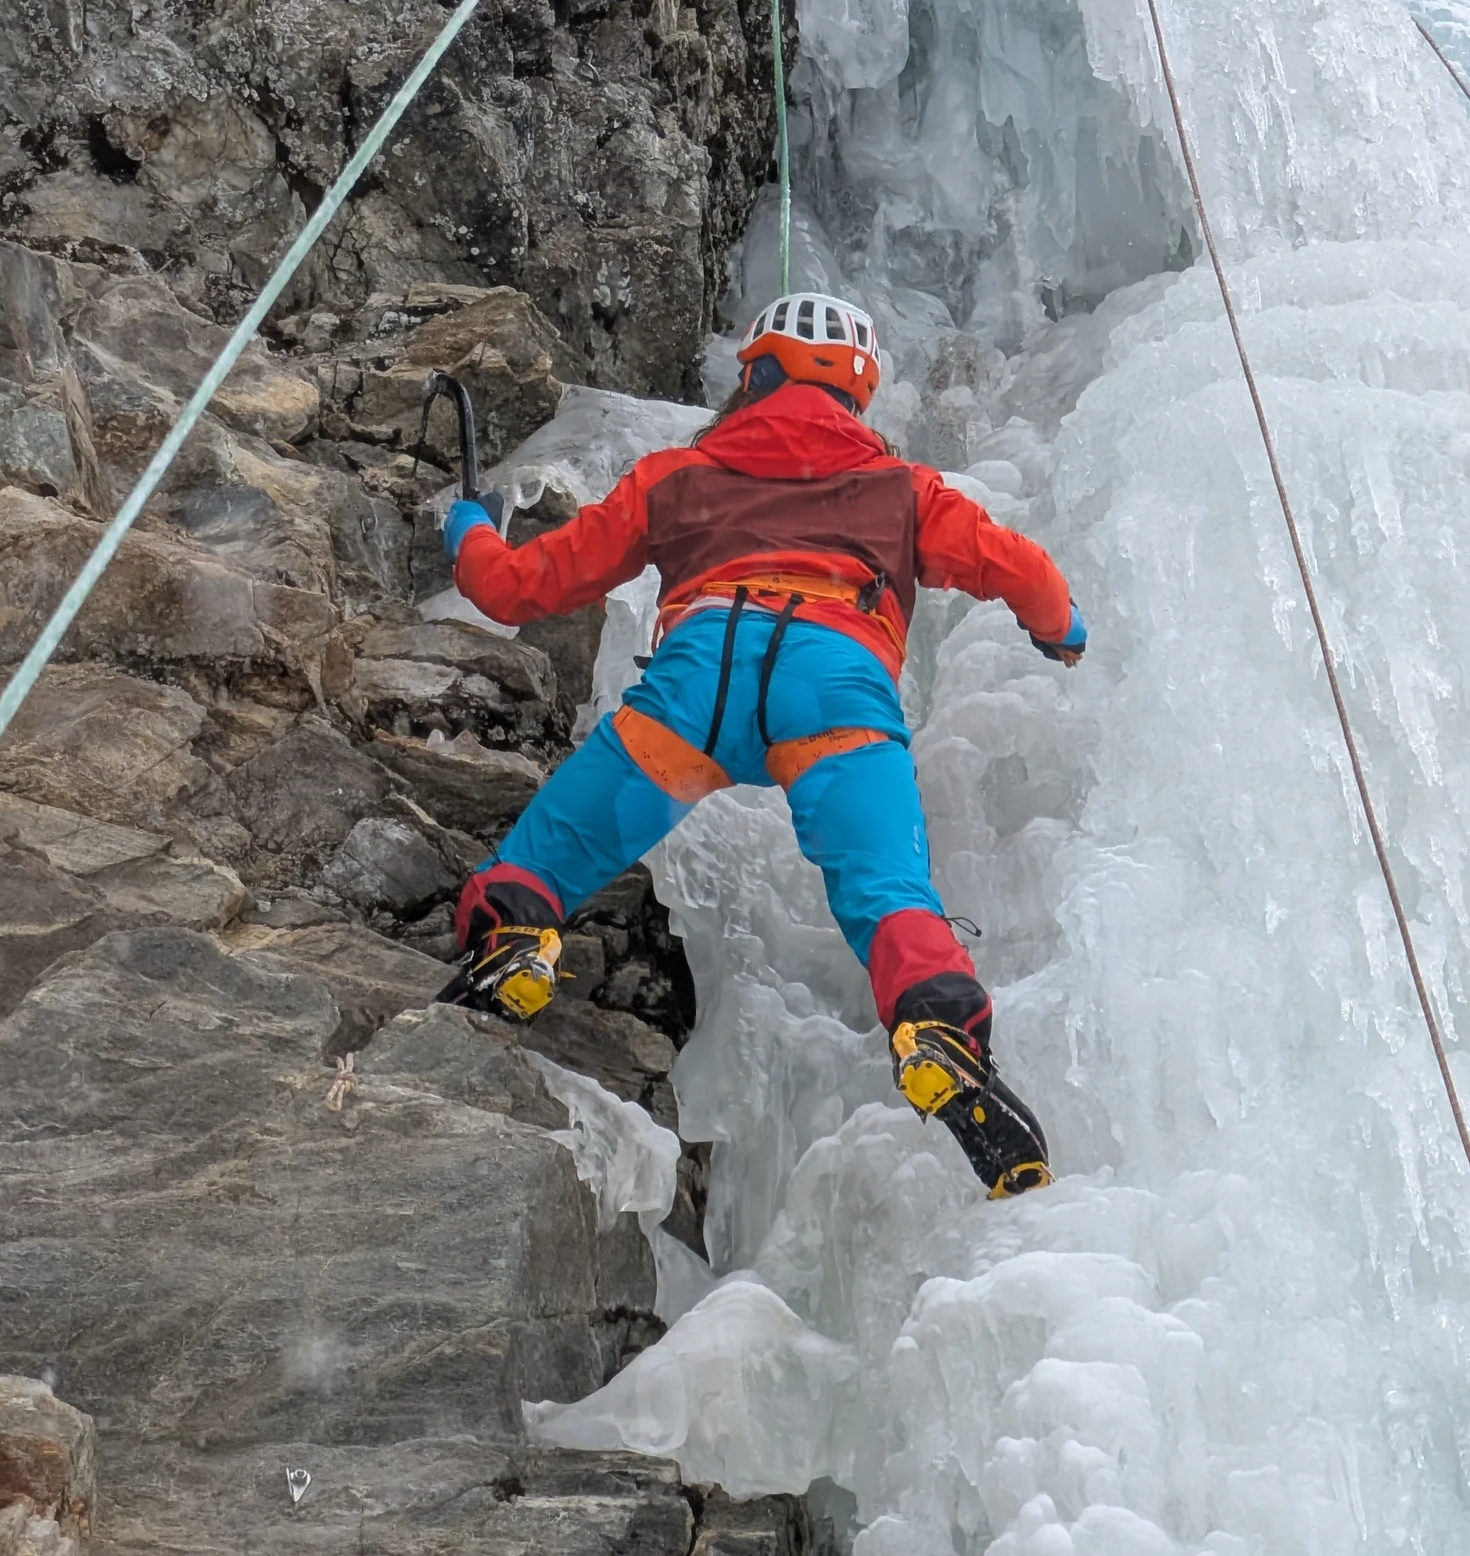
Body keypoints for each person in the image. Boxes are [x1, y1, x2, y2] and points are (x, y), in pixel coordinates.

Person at [436, 291, 1088, 1199]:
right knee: (886, 888)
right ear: (857, 394)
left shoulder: (678, 474)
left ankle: (516, 928)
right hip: (836, 685)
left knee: (561, 846)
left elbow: (516, 588)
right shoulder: (903, 490)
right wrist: (1062, 629)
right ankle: (934, 1020)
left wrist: (469, 530)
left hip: (702, 675)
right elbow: (1023, 568)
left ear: (756, 373)